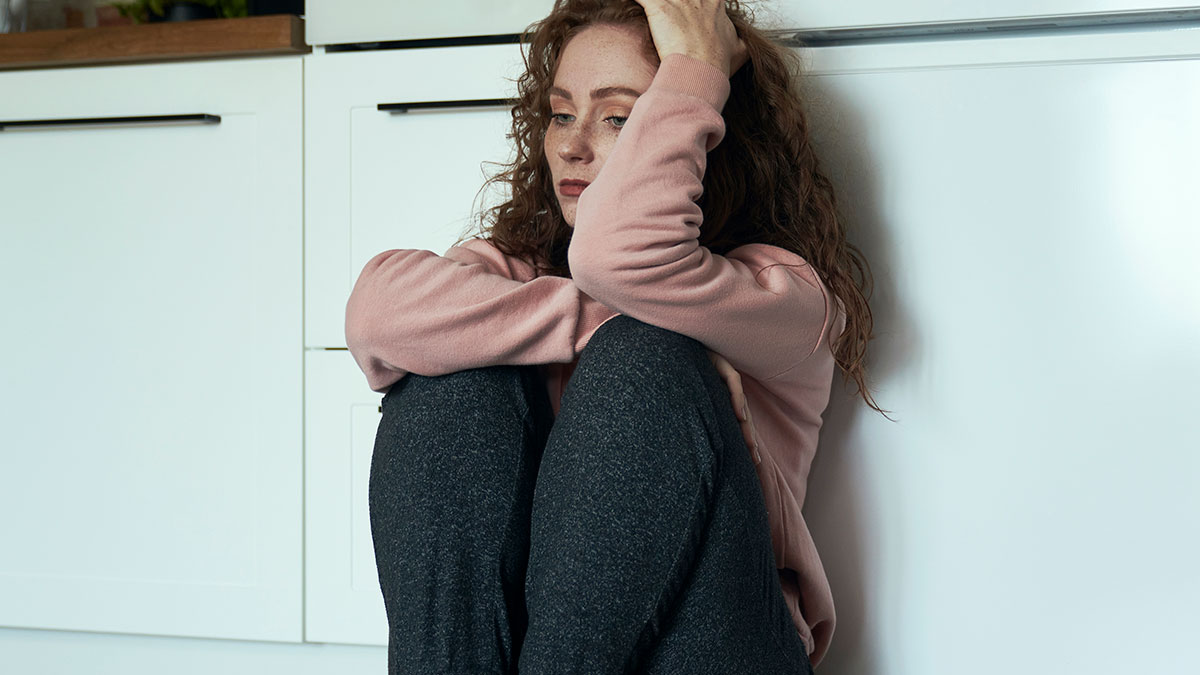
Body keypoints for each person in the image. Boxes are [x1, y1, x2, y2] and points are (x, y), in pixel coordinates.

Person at [345, 1, 885, 672]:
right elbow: (375, 312)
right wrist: (589, 318)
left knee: (644, 358)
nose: (573, 145)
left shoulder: (779, 294)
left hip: (716, 643)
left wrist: (695, 65)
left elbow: (613, 254)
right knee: (444, 380)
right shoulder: (515, 272)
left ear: (699, 130)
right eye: (562, 113)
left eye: (618, 116)